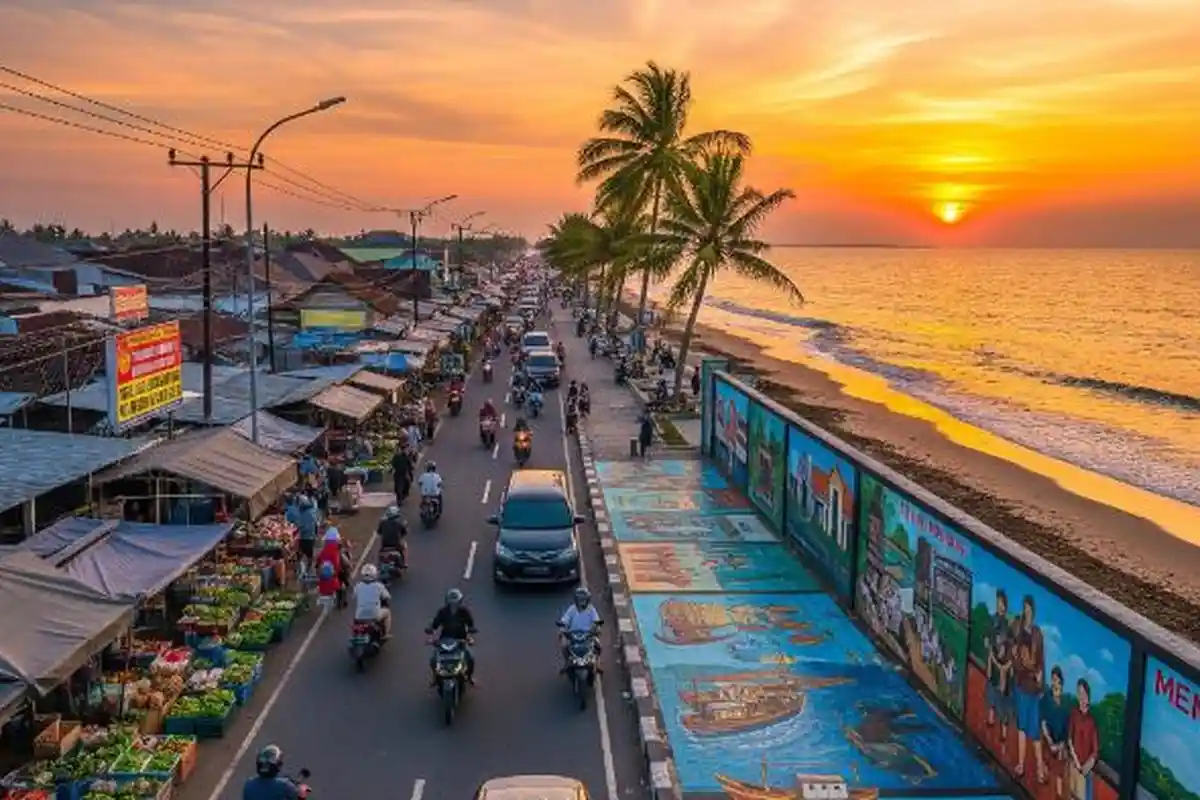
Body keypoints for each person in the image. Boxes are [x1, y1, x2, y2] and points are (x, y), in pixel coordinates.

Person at [425, 588, 477, 684]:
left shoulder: (464, 612)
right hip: (445, 639)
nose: (454, 604)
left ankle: (469, 677)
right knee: (433, 660)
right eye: (451, 602)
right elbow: (435, 624)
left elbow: (470, 625)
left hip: (460, 640)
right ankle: (435, 678)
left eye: (456, 602)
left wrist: (470, 635)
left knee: (470, 658)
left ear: (460, 602)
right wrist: (430, 630)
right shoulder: (443, 612)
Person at [557, 587, 602, 671]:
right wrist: (562, 627)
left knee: (599, 646)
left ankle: (598, 664)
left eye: (584, 600)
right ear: (576, 600)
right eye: (580, 599)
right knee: (564, 646)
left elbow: (596, 620)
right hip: (573, 634)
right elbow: (565, 619)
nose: (582, 602)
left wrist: (597, 627)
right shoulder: (572, 609)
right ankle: (567, 662)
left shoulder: (591, 609)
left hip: (588, 635)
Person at [353, 564, 391, 639]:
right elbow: (387, 597)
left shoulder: (358, 586)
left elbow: (353, 596)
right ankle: (385, 634)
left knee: (355, 619)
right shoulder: (379, 586)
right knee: (387, 612)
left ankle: (356, 634)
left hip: (359, 616)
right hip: (374, 615)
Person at [285, 494, 319, 574]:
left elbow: (302, 526)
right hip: (309, 537)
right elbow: (315, 525)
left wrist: (297, 530)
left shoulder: (305, 514)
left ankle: (304, 569)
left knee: (303, 554)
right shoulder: (311, 512)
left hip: (305, 537)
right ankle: (306, 569)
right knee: (307, 554)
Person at [314, 528, 344, 609]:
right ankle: (340, 603)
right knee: (341, 586)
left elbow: (318, 560)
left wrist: (317, 569)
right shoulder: (335, 550)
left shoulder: (324, 550)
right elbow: (337, 565)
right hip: (333, 576)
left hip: (323, 577)